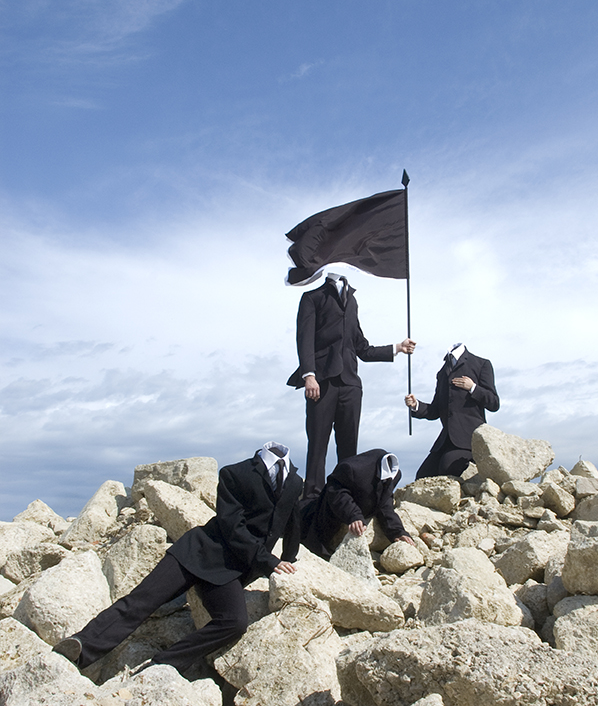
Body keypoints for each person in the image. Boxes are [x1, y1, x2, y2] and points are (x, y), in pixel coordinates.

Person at [53, 442, 302, 674]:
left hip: (231, 571)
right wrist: (269, 563)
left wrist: (290, 560)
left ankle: (161, 665)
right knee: (141, 601)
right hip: (198, 552)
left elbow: (292, 524)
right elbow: (232, 527)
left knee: (234, 623)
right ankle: (80, 647)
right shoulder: (234, 473)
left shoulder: (294, 482)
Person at [287, 272, 416, 498]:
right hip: (322, 383)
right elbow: (304, 338)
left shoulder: (352, 300)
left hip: (351, 385)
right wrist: (309, 375)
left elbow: (362, 348)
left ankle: (343, 495)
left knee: (349, 448)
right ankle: (311, 498)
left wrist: (397, 347)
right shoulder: (312, 297)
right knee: (317, 445)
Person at [405, 343, 499, 479]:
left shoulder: (481, 364)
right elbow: (435, 410)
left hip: (470, 439)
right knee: (423, 475)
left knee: (447, 466)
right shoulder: (443, 373)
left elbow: (494, 403)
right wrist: (416, 405)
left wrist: (473, 387)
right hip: (446, 440)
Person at [301, 448, 414, 560]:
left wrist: (397, 531)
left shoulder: (394, 475)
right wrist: (353, 515)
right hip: (324, 511)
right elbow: (336, 492)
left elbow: (385, 504)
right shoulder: (351, 468)